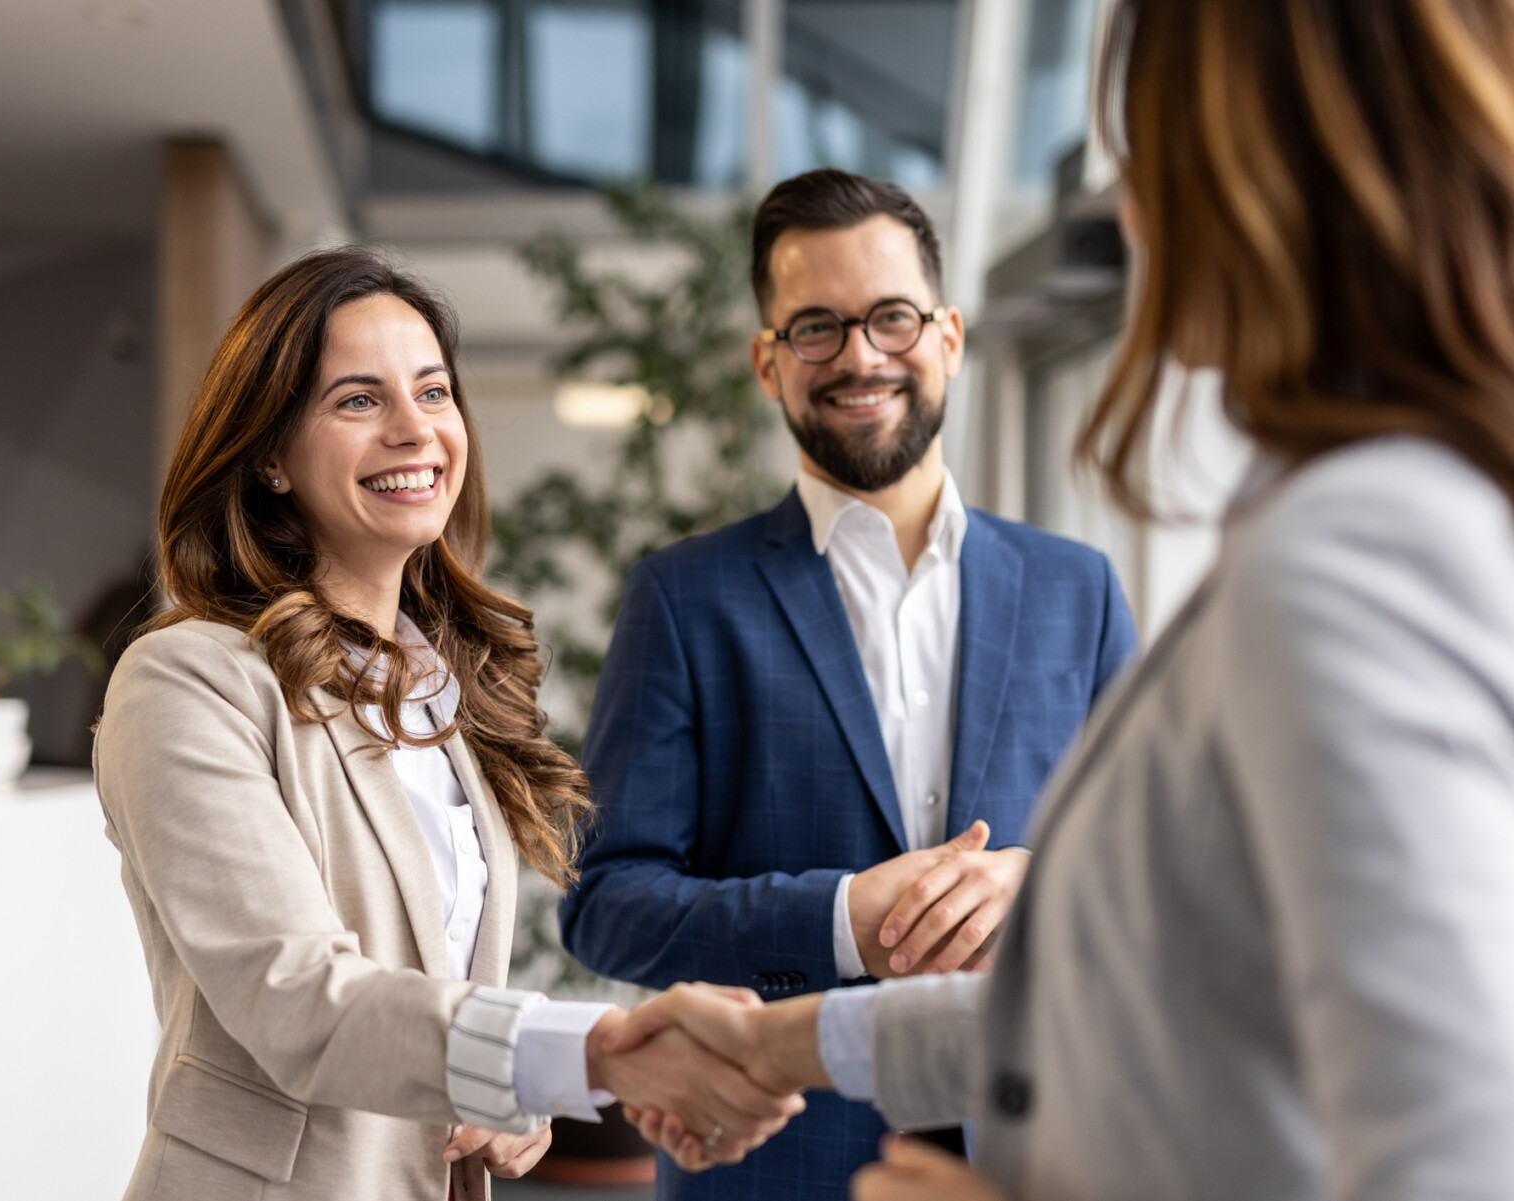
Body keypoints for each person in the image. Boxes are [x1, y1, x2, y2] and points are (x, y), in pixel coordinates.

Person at [612, 2, 1514, 1197]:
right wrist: (784, 1041)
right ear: (769, 355)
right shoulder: (1327, 519)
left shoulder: (1347, 552)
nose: (1132, 212)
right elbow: (1160, 989)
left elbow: (1454, 1152)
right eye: (819, 326)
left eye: (1151, 157)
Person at [93, 249, 803, 1201]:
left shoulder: (439, 687)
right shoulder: (185, 683)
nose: (414, 428)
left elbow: (434, 981)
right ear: (266, 454)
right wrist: (592, 1051)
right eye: (357, 400)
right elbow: (299, 1002)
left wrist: (514, 1093)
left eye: (433, 391)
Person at [558, 168, 1138, 1199]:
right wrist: (842, 916)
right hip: (778, 1165)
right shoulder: (685, 599)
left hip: (1041, 1156)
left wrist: (1043, 884)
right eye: (816, 327)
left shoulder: (1078, 589)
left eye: (892, 318)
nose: (860, 355)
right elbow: (607, 905)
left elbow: (1164, 865)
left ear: (949, 336)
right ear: (766, 362)